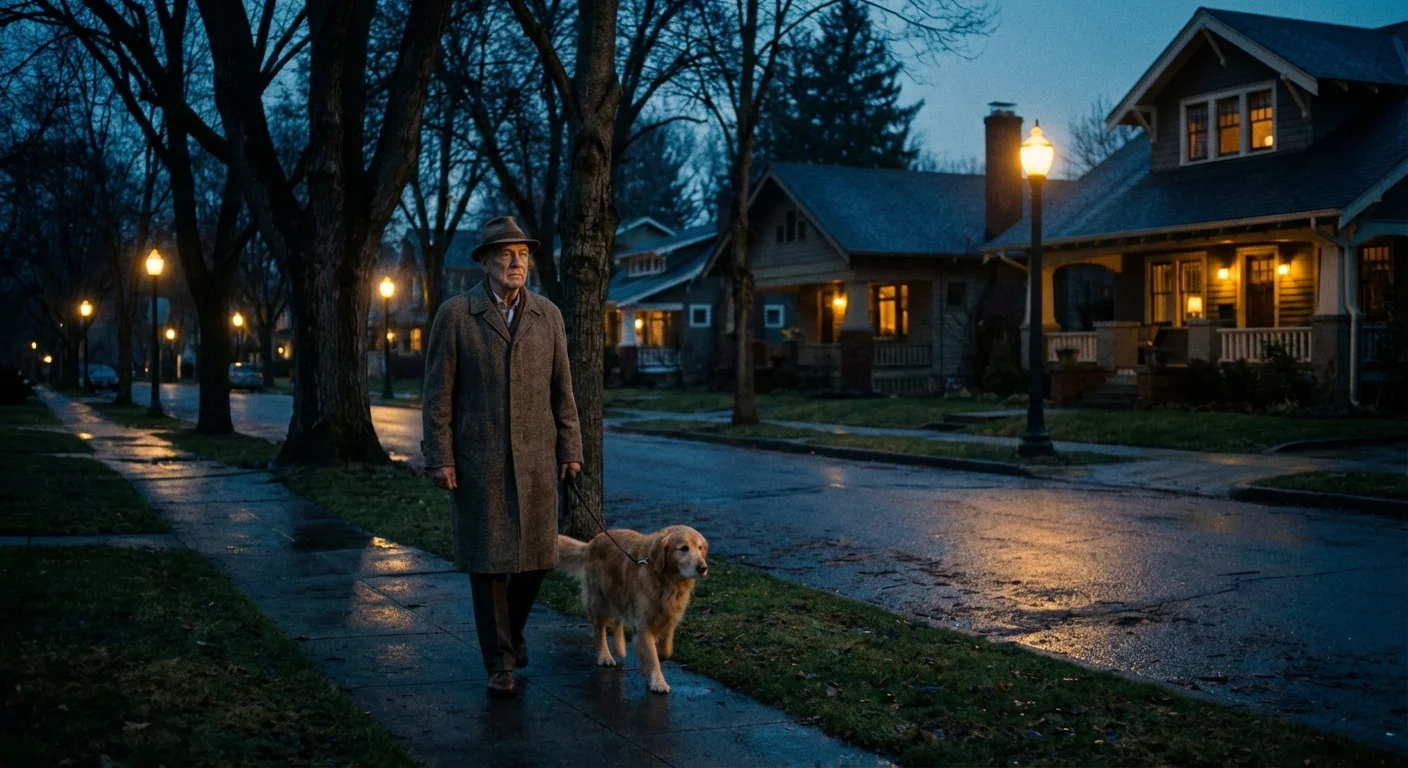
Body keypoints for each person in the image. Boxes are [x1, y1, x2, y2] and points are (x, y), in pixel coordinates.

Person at [421, 215, 583, 698]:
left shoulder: (548, 316)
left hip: (536, 457)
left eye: (524, 255)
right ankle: (499, 663)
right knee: (489, 562)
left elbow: (564, 390)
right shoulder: (456, 315)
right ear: (486, 262)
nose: (517, 263)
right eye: (507, 255)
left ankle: (508, 635)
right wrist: (440, 455)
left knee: (538, 556)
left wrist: (571, 446)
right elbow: (437, 395)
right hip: (480, 459)